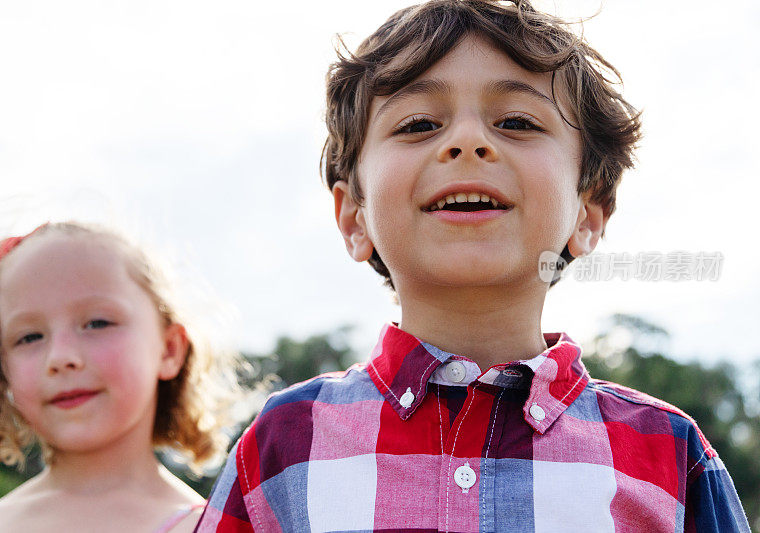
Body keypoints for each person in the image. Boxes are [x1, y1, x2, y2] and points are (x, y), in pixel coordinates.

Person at [197, 1, 750, 531]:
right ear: (353, 217)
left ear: (588, 212)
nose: (466, 141)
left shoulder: (668, 452)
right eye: (417, 124)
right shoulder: (286, 442)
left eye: (515, 121)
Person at [0, 221, 235, 532]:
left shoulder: (214, 528)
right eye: (30, 337)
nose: (61, 358)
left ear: (168, 350)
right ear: (0, 366)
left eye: (97, 323)